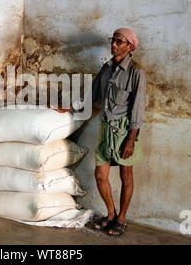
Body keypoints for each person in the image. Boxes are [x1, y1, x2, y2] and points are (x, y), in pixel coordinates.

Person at [55, 28, 146, 236]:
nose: (114, 44)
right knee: (100, 174)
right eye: (113, 40)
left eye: (119, 41)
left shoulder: (136, 72)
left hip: (125, 130)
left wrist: (131, 140)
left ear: (130, 46)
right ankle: (111, 214)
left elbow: (138, 108)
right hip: (106, 128)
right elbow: (91, 95)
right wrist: (69, 107)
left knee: (126, 176)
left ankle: (122, 218)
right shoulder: (106, 68)